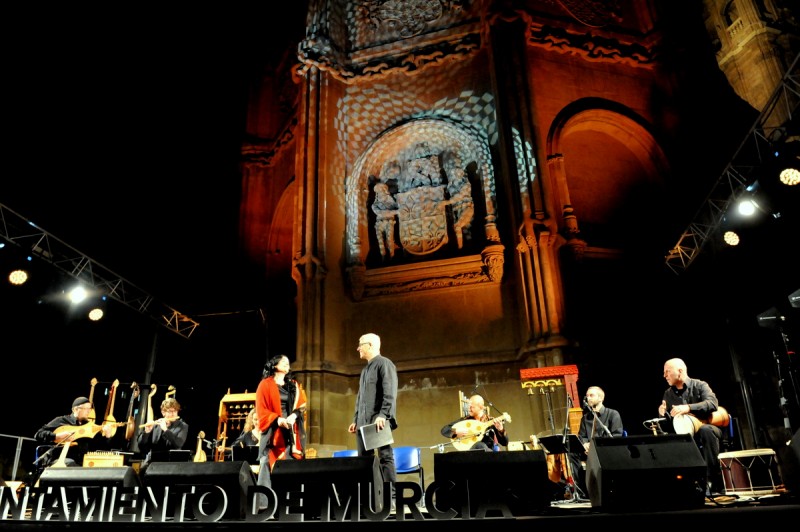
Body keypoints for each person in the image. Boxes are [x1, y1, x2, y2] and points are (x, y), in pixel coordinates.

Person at [658, 357, 724, 496]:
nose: (664, 376)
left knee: (706, 431)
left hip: (707, 426)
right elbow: (671, 424)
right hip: (684, 434)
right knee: (669, 440)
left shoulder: (700, 385)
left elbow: (712, 404)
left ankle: (712, 482)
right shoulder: (668, 394)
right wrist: (663, 415)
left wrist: (688, 407)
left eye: (667, 372)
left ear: (680, 371)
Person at [349, 333, 398, 501]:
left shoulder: (384, 364)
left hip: (378, 420)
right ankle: (369, 498)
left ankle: (390, 498)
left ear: (370, 345)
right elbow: (360, 397)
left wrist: (383, 415)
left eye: (360, 344)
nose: (358, 348)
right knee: (364, 461)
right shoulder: (365, 369)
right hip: (363, 421)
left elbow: (389, 392)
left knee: (385, 457)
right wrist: (356, 420)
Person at [255, 354, 307, 498]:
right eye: (283, 362)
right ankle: (264, 506)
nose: (287, 364)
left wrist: (293, 416)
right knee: (266, 462)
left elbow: (301, 406)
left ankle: (289, 504)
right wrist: (277, 420)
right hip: (273, 430)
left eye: (288, 363)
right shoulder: (265, 384)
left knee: (290, 463)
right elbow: (261, 410)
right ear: (275, 366)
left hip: (290, 430)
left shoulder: (293, 384)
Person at [569, 386, 624, 498]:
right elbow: (582, 436)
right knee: (572, 453)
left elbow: (616, 435)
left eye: (591, 395)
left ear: (600, 398)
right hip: (588, 451)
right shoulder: (585, 418)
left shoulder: (613, 414)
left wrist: (597, 446)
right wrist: (585, 444)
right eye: (587, 396)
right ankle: (581, 491)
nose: (588, 398)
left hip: (604, 450)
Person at [34, 396, 114, 470]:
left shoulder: (88, 426)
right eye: (86, 409)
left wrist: (108, 435)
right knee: (71, 464)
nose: (89, 411)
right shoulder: (62, 421)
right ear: (75, 409)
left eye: (90, 409)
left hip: (83, 462)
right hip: (61, 460)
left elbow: (99, 447)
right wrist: (56, 436)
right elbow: (38, 434)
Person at [136, 396, 188, 474]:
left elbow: (178, 444)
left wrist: (165, 430)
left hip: (172, 464)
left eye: (175, 411)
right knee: (141, 472)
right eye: (170, 411)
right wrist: (147, 432)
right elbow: (141, 446)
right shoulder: (156, 425)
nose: (173, 414)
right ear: (163, 412)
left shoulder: (183, 426)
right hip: (154, 462)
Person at [440, 394, 508, 451]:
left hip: (488, 456)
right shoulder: (466, 420)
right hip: (472, 455)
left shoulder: (490, 421)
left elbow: (505, 443)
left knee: (481, 446)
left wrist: (501, 429)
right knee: (479, 445)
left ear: (480, 407)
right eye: (468, 406)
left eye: (472, 407)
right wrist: (456, 432)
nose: (469, 409)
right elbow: (444, 430)